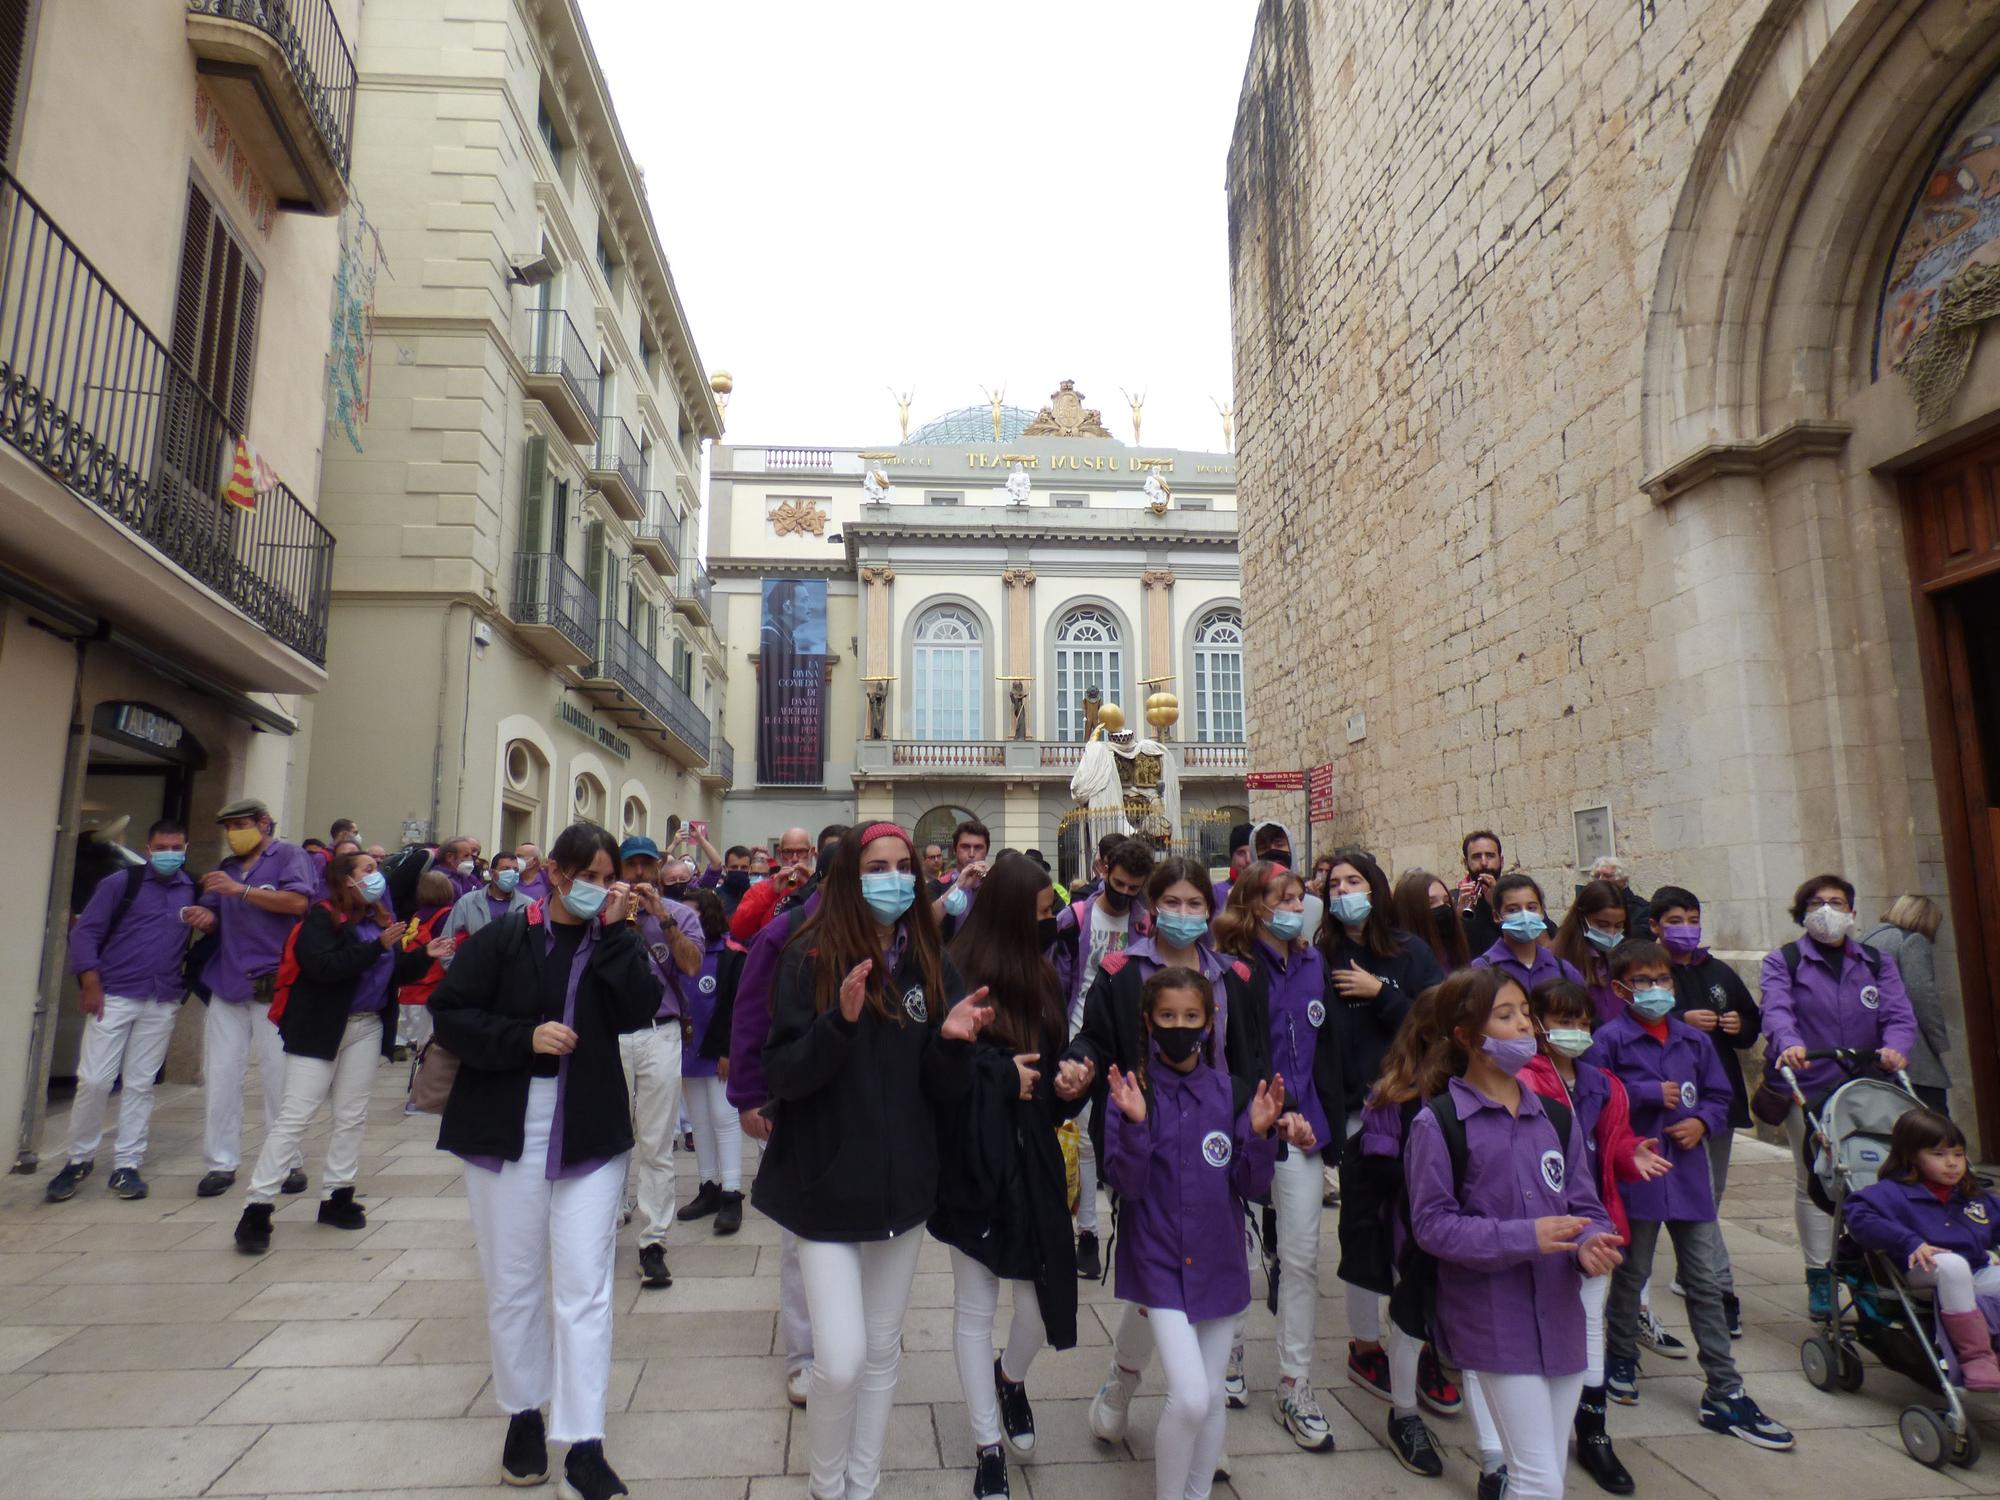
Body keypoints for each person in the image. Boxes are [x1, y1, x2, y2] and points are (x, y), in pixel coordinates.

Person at [755, 822, 993, 1500]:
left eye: (903, 867)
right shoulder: (808, 955)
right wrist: (841, 1023)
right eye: (876, 865)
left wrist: (951, 1044)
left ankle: (863, 1483)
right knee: (839, 1359)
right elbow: (785, 1073)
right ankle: (826, 1487)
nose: (892, 878)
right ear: (848, 878)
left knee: (883, 1350)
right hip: (823, 1187)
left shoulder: (930, 959)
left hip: (902, 1190)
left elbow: (946, 1093)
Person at [429, 821, 660, 1500]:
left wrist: (618, 931)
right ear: (555, 874)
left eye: (606, 877)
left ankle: (585, 1441)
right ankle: (524, 1412)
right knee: (515, 1280)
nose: (596, 889)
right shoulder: (506, 935)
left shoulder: (614, 940)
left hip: (587, 1124)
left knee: (585, 1288)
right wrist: (522, 1036)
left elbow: (642, 1008)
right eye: (585, 876)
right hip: (507, 1122)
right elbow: (450, 1012)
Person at [1065, 857, 1273, 1449]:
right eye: (1172, 903)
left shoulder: (1234, 973)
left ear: (1211, 909)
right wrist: (1077, 1066)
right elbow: (1094, 1038)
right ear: (1151, 908)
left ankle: (1205, 1415)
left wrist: (1267, 1120)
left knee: (1220, 1256)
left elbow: (1252, 1055)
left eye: (1195, 903)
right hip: (1144, 1134)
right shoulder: (1121, 971)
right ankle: (1125, 1379)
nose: (1184, 914)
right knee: (1157, 1264)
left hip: (1218, 1132)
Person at [1404, 967, 1624, 1500]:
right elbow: (1432, 1226)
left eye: (1525, 1013)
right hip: (1493, 1321)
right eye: (1505, 1017)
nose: (1524, 1026)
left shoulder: (1555, 1116)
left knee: (1549, 1472)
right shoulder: (1438, 1123)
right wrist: (1525, 1236)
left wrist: (1591, 1243)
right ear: (1467, 1036)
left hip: (1561, 1317)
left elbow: (1585, 1205)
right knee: (1537, 1481)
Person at [1590, 940, 1791, 1451]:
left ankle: (1725, 1387)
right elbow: (1594, 1096)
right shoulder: (1609, 1040)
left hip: (1687, 1179)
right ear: (1620, 988)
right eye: (1642, 982)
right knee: (1631, 1274)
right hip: (1637, 1180)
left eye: (1662, 980)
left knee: (1704, 1280)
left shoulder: (1693, 1041)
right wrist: (1643, 1095)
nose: (1654, 990)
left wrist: (1702, 1121)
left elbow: (1722, 1095)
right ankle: (1620, 1357)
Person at [933, 854, 1080, 1499]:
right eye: (1043, 916)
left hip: (1033, 1160)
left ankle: (1011, 1379)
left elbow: (1047, 1082)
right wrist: (1001, 1079)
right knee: (974, 1308)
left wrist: (1070, 1081)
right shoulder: (956, 971)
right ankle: (986, 1443)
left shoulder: (1043, 978)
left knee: (1039, 1306)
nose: (1050, 926)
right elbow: (936, 1076)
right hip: (972, 1163)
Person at [1104, 967, 1282, 1500]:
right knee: (1188, 1396)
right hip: (1158, 1262)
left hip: (1220, 1262)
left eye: (1190, 1017)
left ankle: (1196, 1492)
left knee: (1209, 1396)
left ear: (1209, 1023)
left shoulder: (1229, 1092)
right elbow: (1127, 1185)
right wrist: (1134, 1125)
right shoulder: (1134, 1093)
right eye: (1166, 1017)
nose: (1179, 1027)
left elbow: (1252, 1184)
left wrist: (1257, 1134)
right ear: (1148, 1022)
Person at [234, 851, 444, 1252]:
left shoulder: (376, 920)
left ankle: (338, 1195)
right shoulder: (321, 917)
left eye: (376, 870)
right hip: (321, 1029)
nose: (376, 876)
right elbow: (322, 967)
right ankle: (257, 1206)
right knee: (296, 1115)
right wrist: (377, 947)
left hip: (365, 1025)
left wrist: (423, 956)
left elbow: (391, 970)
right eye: (368, 870)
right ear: (346, 880)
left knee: (351, 1115)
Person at [1311, 850, 1455, 1425]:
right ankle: (1366, 1344)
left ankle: (1416, 1342)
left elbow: (1439, 1021)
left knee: (1417, 1227)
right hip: (1353, 1113)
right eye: (1335, 883)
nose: (1345, 890)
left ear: (1374, 887)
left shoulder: (1408, 952)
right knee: (1362, 1227)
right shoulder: (1319, 953)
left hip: (1412, 1109)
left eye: (1355, 881)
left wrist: (1381, 993)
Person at [1348, 985, 1506, 1487]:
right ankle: (1404, 1413)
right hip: (1416, 1233)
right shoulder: (1395, 1092)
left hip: (1479, 1230)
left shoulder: (1488, 1086)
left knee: (1478, 1333)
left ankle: (1496, 1458)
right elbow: (1378, 1166)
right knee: (1410, 1321)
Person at [1520, 978, 1668, 1494]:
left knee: (1588, 1325)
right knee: (1536, 1325)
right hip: (1541, 1221)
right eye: (1563, 1021)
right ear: (1537, 1025)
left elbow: (1614, 1143)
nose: (1575, 1031)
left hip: (1595, 1220)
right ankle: (1533, 1429)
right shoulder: (1524, 1078)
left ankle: (1593, 1429)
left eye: (1583, 1022)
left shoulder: (1603, 1083)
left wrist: (1632, 1156)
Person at [1211, 861, 1337, 1449]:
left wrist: (1318, 1119)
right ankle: (1230, 1352)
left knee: (1303, 1256)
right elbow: (1228, 1053)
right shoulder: (1233, 968)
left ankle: (1294, 1381)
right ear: (1255, 904)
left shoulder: (1315, 963)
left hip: (1304, 1128)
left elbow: (1325, 1048)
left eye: (1299, 896)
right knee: (1234, 1249)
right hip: (1245, 1125)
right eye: (1283, 897)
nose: (1296, 904)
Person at [724, 824, 849, 1407]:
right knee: (801, 1236)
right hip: (793, 1099)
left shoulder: (891, 933)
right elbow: (750, 1014)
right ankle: (803, 1353)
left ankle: (851, 1340)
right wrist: (749, 1097)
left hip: (861, 1103)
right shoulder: (787, 930)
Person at [1761, 872, 1917, 1317]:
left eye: (1836, 901)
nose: (1827, 910)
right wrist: (1789, 1044)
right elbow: (1776, 1009)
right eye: (1815, 903)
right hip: (1810, 1087)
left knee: (1876, 1177)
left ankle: (1867, 1268)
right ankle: (1819, 1275)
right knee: (1816, 1180)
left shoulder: (1875, 962)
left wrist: (1896, 1050)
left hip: (1870, 1087)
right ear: (1802, 912)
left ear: (1852, 910)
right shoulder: (1784, 961)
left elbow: (1899, 1015)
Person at [45, 821, 196, 1203]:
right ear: (148, 848)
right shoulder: (120, 884)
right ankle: (78, 1159)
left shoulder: (192, 888)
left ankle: (127, 1164)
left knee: (141, 1084)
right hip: (114, 994)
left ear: (186, 847)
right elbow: (86, 932)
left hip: (161, 998)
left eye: (176, 846)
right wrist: (90, 982)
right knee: (94, 1080)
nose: (169, 853)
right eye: (162, 846)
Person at [1647, 883, 1760, 1333]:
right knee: (1694, 1199)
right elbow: (1626, 1021)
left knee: (1709, 1196)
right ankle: (1716, 1289)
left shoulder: (1718, 972)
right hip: (1669, 1101)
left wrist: (1738, 1025)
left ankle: (1689, 1273)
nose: (1686, 930)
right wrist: (1677, 1021)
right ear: (1655, 925)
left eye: (1693, 920)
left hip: (1718, 1099)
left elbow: (1752, 1024)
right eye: (1675, 921)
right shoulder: (1649, 970)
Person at [190, 797, 318, 1198]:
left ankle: (288, 1160)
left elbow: (298, 902)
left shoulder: (290, 856)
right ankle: (220, 1162)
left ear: (264, 824)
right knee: (222, 1075)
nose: (233, 834)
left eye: (240, 824)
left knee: (279, 1077)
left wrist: (242, 891)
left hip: (275, 984)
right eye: (228, 827)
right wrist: (203, 916)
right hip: (228, 982)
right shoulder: (226, 869)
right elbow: (213, 914)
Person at [1049, 836, 1155, 1279]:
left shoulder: (1146, 923)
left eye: (1135, 888)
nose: (1126, 894)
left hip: (1128, 1039)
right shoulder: (1074, 920)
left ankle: (1126, 1220)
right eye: (1119, 884)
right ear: (1102, 869)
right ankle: (1089, 1232)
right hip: (1081, 1035)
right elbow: (1057, 981)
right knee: (1086, 1136)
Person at [1844, 1108, 2000, 1388]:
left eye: (1958, 1154)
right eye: (1938, 1155)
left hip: (1976, 1271)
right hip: (1923, 1270)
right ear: (1912, 1156)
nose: (1952, 1163)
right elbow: (1858, 1217)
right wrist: (1908, 1240)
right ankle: (1975, 1357)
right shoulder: (1891, 1193)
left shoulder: (1972, 1196)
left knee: (1980, 1272)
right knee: (1953, 1266)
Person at [618, 835, 704, 1288]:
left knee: (655, 1142)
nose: (637, 873)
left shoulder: (682, 914)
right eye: (629, 865)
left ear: (657, 869)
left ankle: (653, 1241)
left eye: (644, 866)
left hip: (659, 1030)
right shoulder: (602, 911)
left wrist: (662, 917)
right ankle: (608, 1216)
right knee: (610, 1137)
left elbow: (691, 966)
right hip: (609, 1032)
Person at [677, 890, 743, 1233]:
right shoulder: (678, 951)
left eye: (693, 915)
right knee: (699, 1121)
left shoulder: (731, 953)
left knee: (724, 1118)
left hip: (719, 1052)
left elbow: (737, 1005)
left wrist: (727, 1051)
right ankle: (708, 1187)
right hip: (688, 1050)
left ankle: (732, 1192)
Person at [1861, 895, 1951, 1114]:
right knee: (1934, 1125)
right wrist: (1940, 1043)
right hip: (1912, 1053)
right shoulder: (1911, 941)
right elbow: (1922, 995)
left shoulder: (1867, 939)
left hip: (1873, 1048)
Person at [1471, 873, 1582, 994]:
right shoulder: (1484, 969)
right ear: (1497, 916)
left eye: (1531, 908)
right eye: (1513, 910)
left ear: (1542, 911)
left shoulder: (1562, 969)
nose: (1525, 915)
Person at [396, 869, 461, 1058]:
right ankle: (421, 1048)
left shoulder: (418, 915)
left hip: (410, 977)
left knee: (406, 1016)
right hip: (431, 976)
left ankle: (400, 1042)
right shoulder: (445, 915)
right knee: (425, 1023)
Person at [1550, 880, 1627, 1024]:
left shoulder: (1622, 959)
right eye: (1602, 925)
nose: (1611, 933)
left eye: (1618, 926)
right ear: (1582, 918)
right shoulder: (1559, 962)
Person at [730, 825, 819, 940]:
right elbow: (738, 930)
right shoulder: (762, 888)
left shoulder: (822, 886)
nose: (795, 859)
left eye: (801, 851)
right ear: (780, 853)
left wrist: (812, 887)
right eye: (788, 852)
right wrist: (771, 893)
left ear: (811, 852)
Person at [443, 850, 532, 959]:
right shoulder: (468, 902)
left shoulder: (528, 905)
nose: (512, 874)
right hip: (474, 971)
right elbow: (446, 940)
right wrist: (455, 969)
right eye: (506, 869)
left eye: (516, 870)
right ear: (491, 872)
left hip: (511, 972)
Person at [1249, 821, 1323, 933]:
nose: (1273, 851)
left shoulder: (1315, 906)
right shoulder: (1246, 907)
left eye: (1279, 845)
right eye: (1263, 847)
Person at [1393, 867, 1470, 970]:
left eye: (1447, 901)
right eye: (1430, 903)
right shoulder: (1402, 964)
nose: (1442, 907)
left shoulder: (1455, 952)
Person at [935, 818, 993, 939]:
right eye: (965, 847)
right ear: (955, 850)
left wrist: (993, 883)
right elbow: (926, 922)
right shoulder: (938, 885)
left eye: (978, 847)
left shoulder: (995, 883)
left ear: (986, 851)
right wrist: (958, 886)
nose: (971, 854)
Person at [1453, 830, 1506, 955]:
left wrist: (1499, 904)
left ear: (1501, 861)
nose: (1484, 863)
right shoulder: (1452, 899)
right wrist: (1457, 918)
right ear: (1466, 863)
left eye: (1490, 856)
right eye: (1477, 857)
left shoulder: (1518, 896)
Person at [1588, 857, 1651, 937]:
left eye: (1607, 876)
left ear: (1622, 880)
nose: (1600, 880)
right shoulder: (1587, 906)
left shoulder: (1642, 910)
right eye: (1597, 876)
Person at [1212, 822, 1254, 909]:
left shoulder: (1269, 892)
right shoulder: (1216, 893)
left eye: (1253, 852)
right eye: (1241, 853)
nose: (1248, 860)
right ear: (1232, 859)